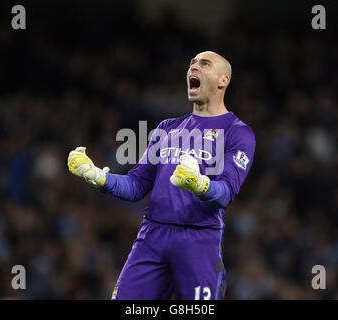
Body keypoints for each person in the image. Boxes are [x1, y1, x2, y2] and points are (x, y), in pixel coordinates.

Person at [67, 51, 256, 300]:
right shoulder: (167, 128)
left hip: (198, 240)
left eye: (204, 64)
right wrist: (97, 176)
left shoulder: (237, 133)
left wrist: (200, 184)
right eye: (192, 64)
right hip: (152, 237)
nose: (194, 68)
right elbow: (136, 185)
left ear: (223, 80)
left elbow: (226, 193)